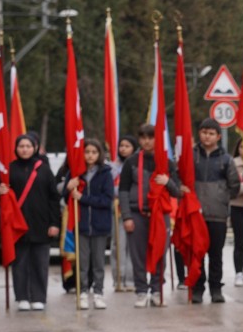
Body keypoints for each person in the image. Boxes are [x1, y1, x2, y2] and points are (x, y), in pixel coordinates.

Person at [120, 124, 183, 307]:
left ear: (158, 139)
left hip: (159, 215)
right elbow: (123, 190)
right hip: (137, 214)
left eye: (151, 137)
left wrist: (167, 181)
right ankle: (141, 291)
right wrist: (126, 217)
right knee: (138, 255)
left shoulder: (166, 163)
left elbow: (178, 191)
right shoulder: (131, 162)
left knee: (159, 253)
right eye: (143, 138)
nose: (147, 141)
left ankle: (156, 289)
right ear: (139, 140)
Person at [2, 133, 59, 311]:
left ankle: (39, 297)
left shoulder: (44, 169)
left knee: (40, 263)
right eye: (21, 146)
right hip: (17, 226)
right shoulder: (9, 169)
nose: (24, 149)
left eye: (28, 146)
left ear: (34, 148)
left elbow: (53, 198)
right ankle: (22, 297)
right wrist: (1, 190)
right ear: (16, 149)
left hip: (42, 224)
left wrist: (54, 223)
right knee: (20, 263)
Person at [188, 118, 242, 304]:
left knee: (216, 254)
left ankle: (216, 289)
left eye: (211, 133)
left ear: (218, 136)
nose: (207, 136)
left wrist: (223, 198)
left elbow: (234, 185)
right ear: (199, 134)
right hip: (196, 213)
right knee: (197, 253)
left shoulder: (226, 159)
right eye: (204, 132)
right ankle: (197, 289)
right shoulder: (191, 156)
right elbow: (182, 178)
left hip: (217, 213)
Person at [65, 137, 114, 310]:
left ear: (99, 154)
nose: (90, 155)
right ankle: (83, 292)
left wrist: (83, 198)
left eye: (94, 152)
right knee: (83, 261)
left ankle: (99, 293)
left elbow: (106, 200)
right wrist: (69, 187)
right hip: (82, 224)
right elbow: (66, 197)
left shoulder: (106, 173)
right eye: (87, 152)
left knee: (98, 262)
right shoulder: (76, 172)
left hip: (100, 225)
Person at [113, 134, 137, 290]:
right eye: (121, 145)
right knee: (118, 245)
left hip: (133, 209)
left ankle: (131, 279)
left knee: (133, 246)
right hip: (116, 211)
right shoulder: (112, 167)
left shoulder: (137, 165)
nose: (123, 148)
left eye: (127, 146)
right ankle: (118, 279)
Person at [227, 134, 243, 288]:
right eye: (242, 147)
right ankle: (239, 272)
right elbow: (231, 187)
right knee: (239, 242)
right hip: (238, 206)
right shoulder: (233, 164)